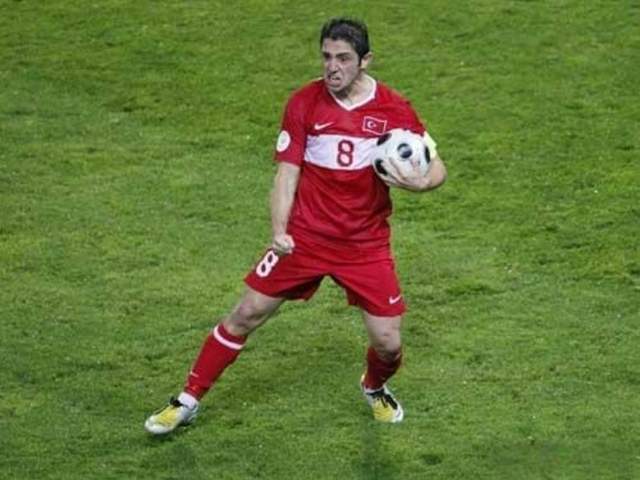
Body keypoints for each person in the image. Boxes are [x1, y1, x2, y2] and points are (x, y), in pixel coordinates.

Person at [144, 17, 447, 435]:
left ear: (366, 61)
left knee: (388, 342)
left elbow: (437, 167)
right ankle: (187, 399)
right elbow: (286, 173)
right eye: (327, 57)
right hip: (305, 237)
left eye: (343, 58)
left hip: (365, 245)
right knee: (246, 313)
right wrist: (279, 230)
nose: (332, 67)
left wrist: (421, 183)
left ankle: (374, 386)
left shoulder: (394, 108)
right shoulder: (304, 103)